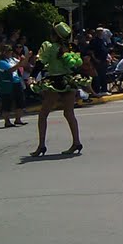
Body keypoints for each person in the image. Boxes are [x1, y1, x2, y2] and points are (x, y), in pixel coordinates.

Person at [28, 22, 90, 156]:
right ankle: (76, 142)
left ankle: (41, 145)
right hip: (70, 81)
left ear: (54, 36)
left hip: (55, 82)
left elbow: (40, 63)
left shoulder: (50, 47)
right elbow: (75, 66)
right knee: (69, 113)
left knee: (43, 114)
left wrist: (32, 76)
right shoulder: (71, 47)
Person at [0, 45, 29, 127]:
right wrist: (19, 63)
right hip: (7, 84)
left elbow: (23, 64)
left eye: (11, 50)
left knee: (20, 100)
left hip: (17, 81)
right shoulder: (2, 62)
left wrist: (27, 57)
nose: (10, 52)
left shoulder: (12, 59)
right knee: (7, 102)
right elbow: (11, 69)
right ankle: (7, 121)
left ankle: (18, 119)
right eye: (8, 51)